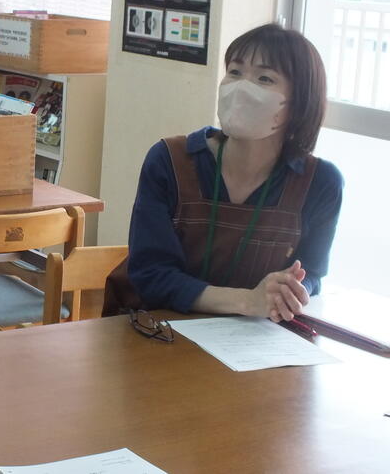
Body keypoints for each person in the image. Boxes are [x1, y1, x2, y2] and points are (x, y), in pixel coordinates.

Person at [104, 23, 343, 323]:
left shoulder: (321, 182)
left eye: (264, 78)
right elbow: (151, 274)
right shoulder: (169, 161)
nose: (241, 87)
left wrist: (290, 292)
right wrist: (248, 301)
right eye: (234, 72)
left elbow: (313, 273)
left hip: (251, 338)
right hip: (157, 329)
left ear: (299, 103)